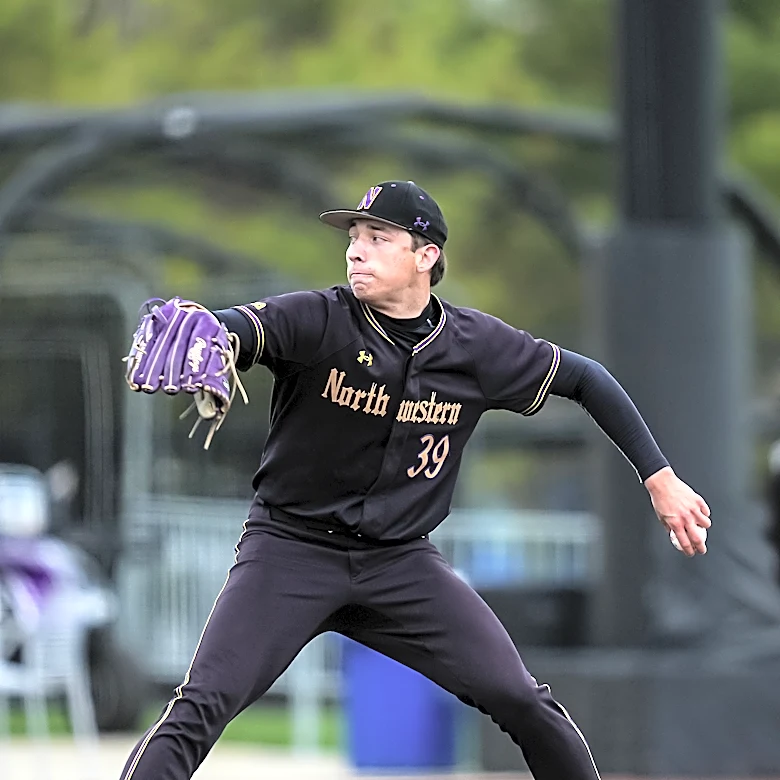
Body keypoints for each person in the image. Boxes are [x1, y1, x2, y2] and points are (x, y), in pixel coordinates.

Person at [119, 180, 711, 780]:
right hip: (291, 551)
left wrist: (658, 478)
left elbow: (586, 380)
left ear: (426, 255)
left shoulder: (476, 346)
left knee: (521, 699)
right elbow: (241, 328)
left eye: (379, 237)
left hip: (399, 564)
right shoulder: (318, 318)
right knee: (203, 703)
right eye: (354, 236)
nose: (356, 250)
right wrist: (212, 328)